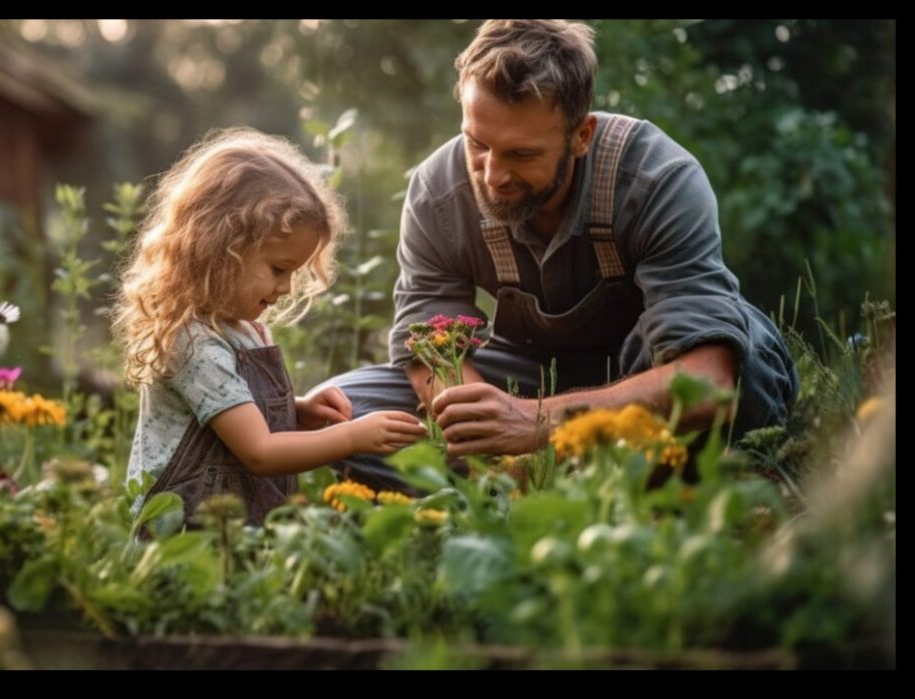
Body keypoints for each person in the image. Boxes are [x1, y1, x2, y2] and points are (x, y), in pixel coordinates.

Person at [319, 19, 797, 487]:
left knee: (738, 371)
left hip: (646, 371)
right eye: (477, 144)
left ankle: (658, 483)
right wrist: (482, 431)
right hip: (528, 377)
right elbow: (428, 347)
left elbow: (708, 379)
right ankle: (529, 486)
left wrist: (537, 423)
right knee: (335, 414)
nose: (492, 176)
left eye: (521, 155)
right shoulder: (437, 193)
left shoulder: (657, 179)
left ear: (581, 135)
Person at [116, 128, 425, 523]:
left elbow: (225, 412)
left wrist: (299, 412)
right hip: (183, 533)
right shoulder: (192, 342)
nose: (286, 288)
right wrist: (352, 437)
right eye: (279, 269)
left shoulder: (242, 328)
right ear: (218, 248)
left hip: (236, 521)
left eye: (294, 272)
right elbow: (259, 451)